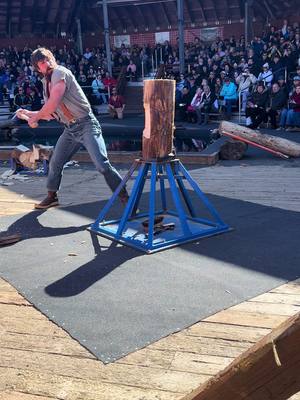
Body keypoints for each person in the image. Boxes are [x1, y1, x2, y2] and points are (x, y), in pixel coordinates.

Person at [16, 48, 128, 209]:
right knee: (55, 162)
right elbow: (51, 113)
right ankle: (52, 196)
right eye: (41, 63)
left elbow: (52, 104)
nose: (46, 64)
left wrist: (34, 117)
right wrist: (28, 113)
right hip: (70, 129)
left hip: (86, 124)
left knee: (102, 165)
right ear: (37, 67)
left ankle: (125, 198)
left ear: (52, 59)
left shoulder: (59, 73)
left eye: (48, 59)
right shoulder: (46, 83)